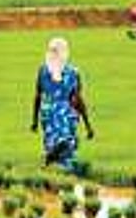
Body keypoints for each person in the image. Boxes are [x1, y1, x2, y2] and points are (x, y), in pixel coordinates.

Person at [30, 38, 94, 171]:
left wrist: (35, 121)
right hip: (65, 113)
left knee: (51, 141)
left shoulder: (43, 71)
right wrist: (87, 124)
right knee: (67, 144)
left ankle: (52, 160)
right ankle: (61, 161)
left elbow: (38, 96)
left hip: (47, 112)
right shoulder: (73, 72)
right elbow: (77, 100)